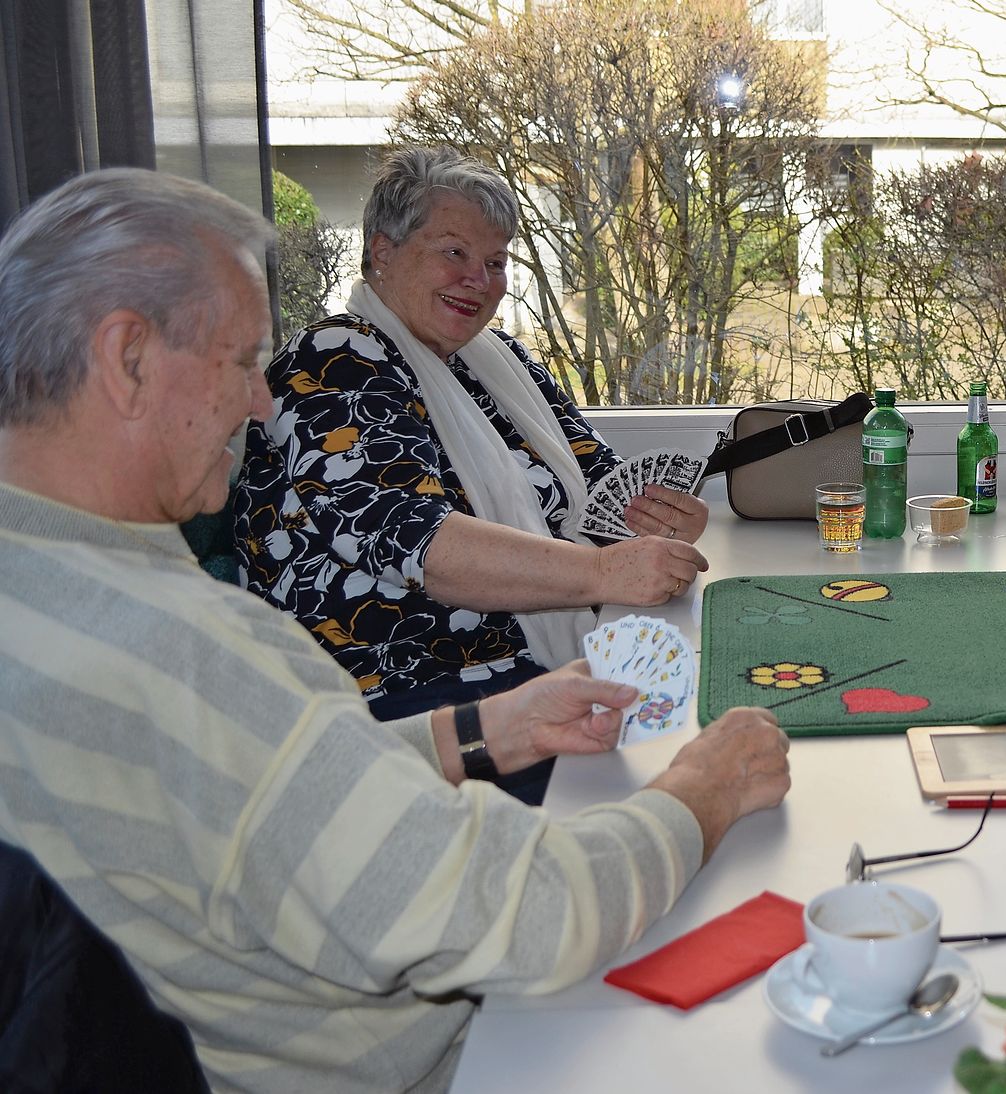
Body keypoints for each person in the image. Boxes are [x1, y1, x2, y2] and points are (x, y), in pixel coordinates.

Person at [0, 168, 791, 1090]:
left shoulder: (45, 589)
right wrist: (704, 785)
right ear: (128, 359)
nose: (261, 402)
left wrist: (477, 731)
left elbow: (252, 789)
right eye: (241, 361)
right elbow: (526, 918)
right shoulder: (188, 650)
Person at [235, 147, 705, 800]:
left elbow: (604, 484)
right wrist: (602, 572)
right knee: (673, 772)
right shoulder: (334, 359)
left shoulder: (497, 361)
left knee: (711, 703)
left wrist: (663, 513)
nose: (478, 279)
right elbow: (417, 543)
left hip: (521, 670)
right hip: (405, 704)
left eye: (496, 262)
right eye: (454, 252)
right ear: (382, 252)